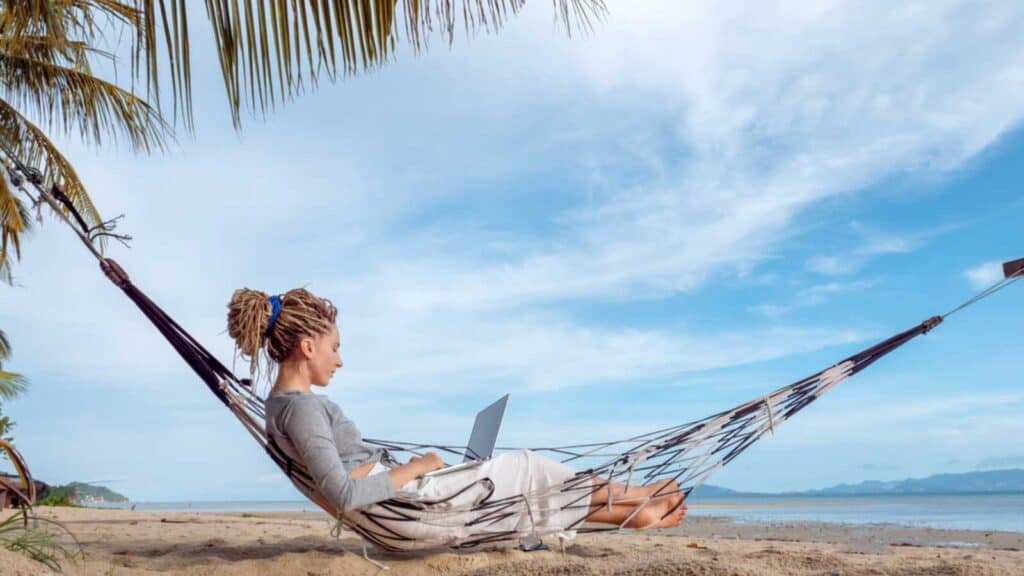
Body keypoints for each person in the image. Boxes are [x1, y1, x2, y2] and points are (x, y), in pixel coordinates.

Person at [227, 288, 686, 549]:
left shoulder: (281, 405)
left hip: (402, 511)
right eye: (335, 347)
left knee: (519, 484)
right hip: (410, 509)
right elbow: (343, 494)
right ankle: (638, 500)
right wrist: (420, 466)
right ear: (307, 347)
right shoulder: (302, 408)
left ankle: (634, 504)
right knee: (528, 467)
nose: (339, 361)